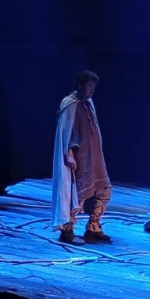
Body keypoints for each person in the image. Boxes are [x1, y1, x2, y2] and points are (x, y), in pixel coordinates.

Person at [51, 69, 113, 245]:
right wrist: (69, 154)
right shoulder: (69, 104)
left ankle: (93, 227)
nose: (92, 90)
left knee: (103, 189)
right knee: (76, 194)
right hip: (79, 159)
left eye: (94, 87)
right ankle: (67, 231)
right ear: (80, 85)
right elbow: (66, 133)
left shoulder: (88, 102)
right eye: (89, 86)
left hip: (94, 157)